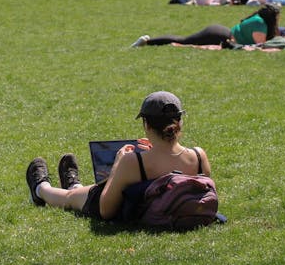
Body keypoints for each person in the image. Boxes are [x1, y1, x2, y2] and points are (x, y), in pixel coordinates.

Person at [25, 91, 213, 223]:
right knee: (79, 192)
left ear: (146, 124)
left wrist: (118, 164)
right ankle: (74, 184)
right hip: (172, 208)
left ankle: (40, 189)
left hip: (128, 207)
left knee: (70, 198)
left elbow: (106, 210)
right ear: (179, 122)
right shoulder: (198, 155)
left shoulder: (134, 161)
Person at [130, 3, 281, 47]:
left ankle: (148, 42)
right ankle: (147, 42)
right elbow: (260, 44)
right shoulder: (260, 23)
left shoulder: (257, 19)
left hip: (220, 31)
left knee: (184, 40)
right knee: (183, 41)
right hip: (219, 35)